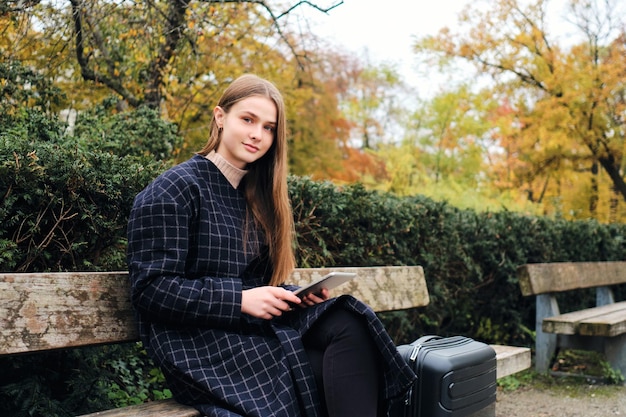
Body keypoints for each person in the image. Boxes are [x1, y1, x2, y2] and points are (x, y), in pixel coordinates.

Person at [126, 74, 415, 417]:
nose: (256, 135)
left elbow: (255, 283)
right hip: (197, 346)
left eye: (268, 127)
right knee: (320, 370)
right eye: (247, 120)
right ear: (220, 117)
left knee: (348, 321)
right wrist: (239, 300)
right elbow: (151, 290)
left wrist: (292, 296)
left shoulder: (256, 198)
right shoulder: (175, 189)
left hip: (246, 333)